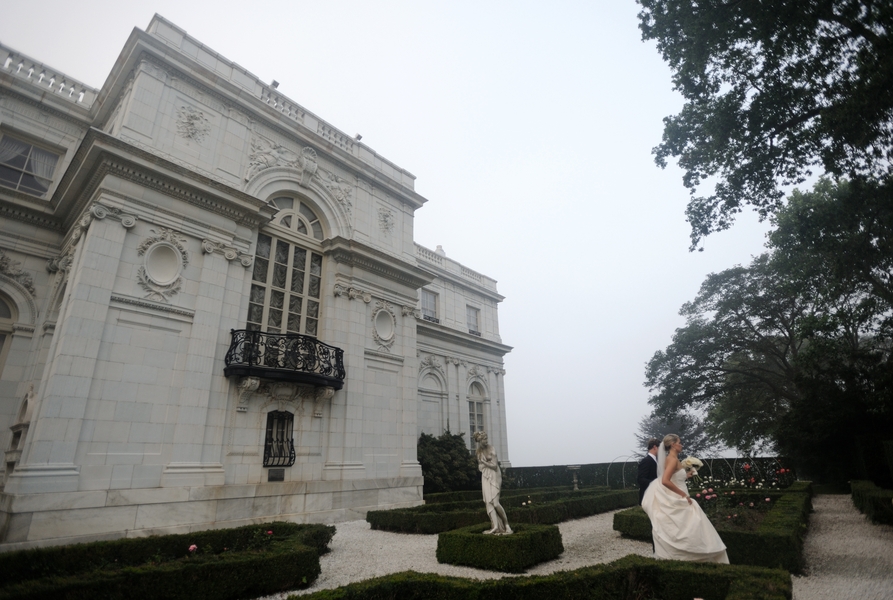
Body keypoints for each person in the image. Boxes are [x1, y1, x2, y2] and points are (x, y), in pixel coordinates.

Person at [641, 434, 729, 563]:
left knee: (687, 526)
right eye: (679, 442)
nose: (681, 445)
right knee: (691, 526)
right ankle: (693, 556)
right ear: (673, 445)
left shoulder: (672, 459)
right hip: (679, 496)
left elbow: (673, 478)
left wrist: (686, 475)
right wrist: (683, 494)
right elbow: (665, 481)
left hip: (678, 494)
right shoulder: (672, 459)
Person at [472, 431, 512, 534]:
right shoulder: (478, 452)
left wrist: (484, 462)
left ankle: (507, 525)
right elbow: (480, 466)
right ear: (479, 441)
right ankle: (495, 526)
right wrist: (482, 464)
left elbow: (494, 466)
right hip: (485, 475)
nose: (486, 441)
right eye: (484, 439)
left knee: (495, 503)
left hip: (495, 475)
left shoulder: (492, 449)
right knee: (488, 502)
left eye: (486, 439)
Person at [637, 438, 660, 505]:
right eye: (660, 448)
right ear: (655, 447)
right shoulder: (646, 461)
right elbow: (640, 479)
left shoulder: (657, 460)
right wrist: (656, 483)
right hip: (648, 495)